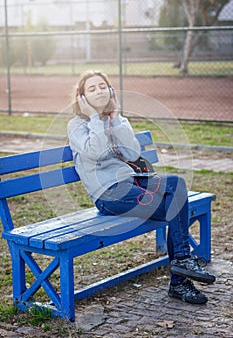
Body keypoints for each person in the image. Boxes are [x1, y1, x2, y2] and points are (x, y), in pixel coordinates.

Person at [67, 70, 216, 304]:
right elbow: (94, 152)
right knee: (172, 207)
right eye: (92, 89)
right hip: (109, 193)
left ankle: (181, 265)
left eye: (102, 86)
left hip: (133, 181)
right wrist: (95, 118)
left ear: (111, 91)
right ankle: (180, 277)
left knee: (176, 184)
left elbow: (132, 153)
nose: (99, 91)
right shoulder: (76, 126)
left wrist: (114, 119)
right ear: (82, 98)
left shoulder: (116, 118)